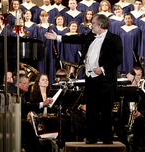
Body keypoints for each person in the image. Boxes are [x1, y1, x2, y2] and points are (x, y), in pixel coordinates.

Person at [45, 14, 123, 144]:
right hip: (91, 79)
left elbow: (118, 59)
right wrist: (58, 37)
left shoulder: (114, 39)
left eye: (93, 23)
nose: (90, 25)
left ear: (100, 25)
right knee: (91, 109)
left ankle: (107, 139)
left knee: (105, 110)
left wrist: (103, 69)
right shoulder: (91, 36)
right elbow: (77, 38)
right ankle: (91, 138)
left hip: (105, 80)